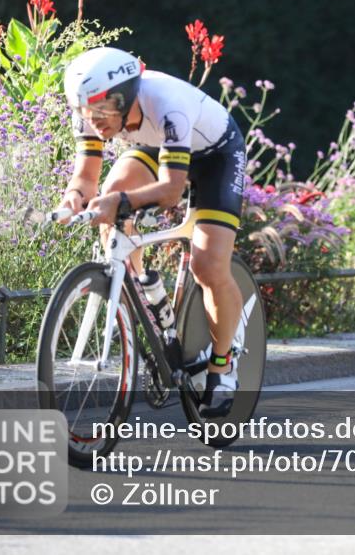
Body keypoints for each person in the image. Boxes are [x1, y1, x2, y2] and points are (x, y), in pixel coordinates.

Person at [57, 47, 247, 417]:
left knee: (207, 265)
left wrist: (116, 203)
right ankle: (143, 291)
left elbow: (170, 190)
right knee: (112, 202)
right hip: (158, 144)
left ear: (125, 96)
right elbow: (86, 177)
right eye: (85, 113)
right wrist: (74, 198)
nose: (94, 121)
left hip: (216, 154)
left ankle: (223, 366)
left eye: (102, 111)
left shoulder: (166, 102)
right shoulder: (90, 109)